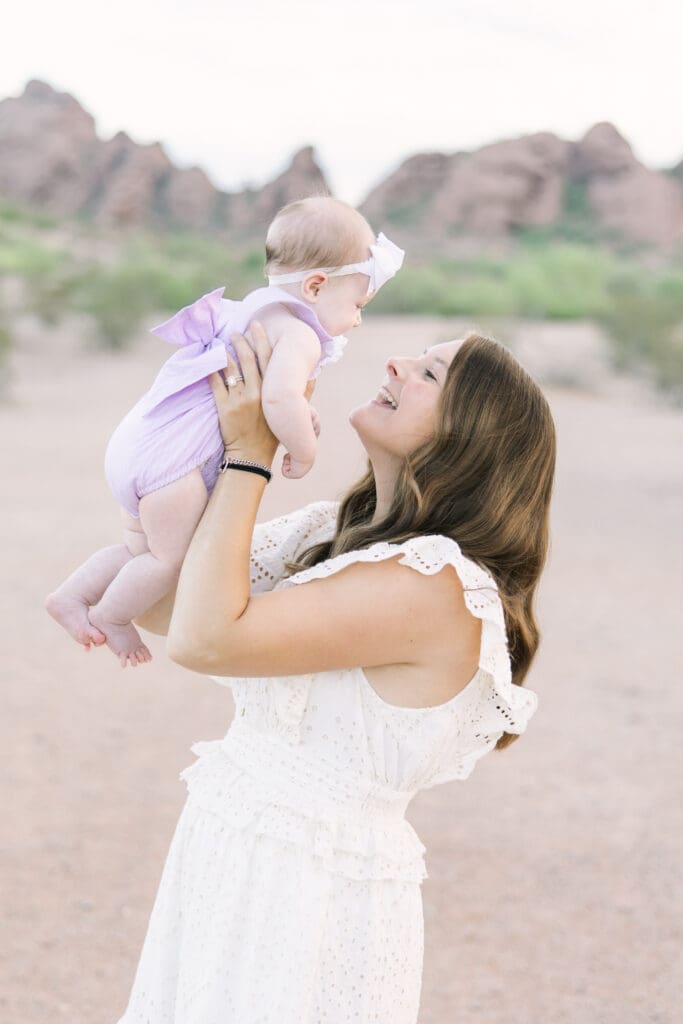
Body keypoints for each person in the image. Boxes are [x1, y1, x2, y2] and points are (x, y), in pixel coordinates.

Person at [114, 322, 556, 1024]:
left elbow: (203, 641)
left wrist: (250, 457)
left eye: (431, 373)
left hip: (308, 888)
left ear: (468, 437)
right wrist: (192, 436)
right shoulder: (334, 532)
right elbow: (165, 605)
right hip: (236, 846)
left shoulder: (433, 582)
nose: (397, 362)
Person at [45, 197, 404, 668]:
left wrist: (301, 412)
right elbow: (277, 400)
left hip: (143, 442)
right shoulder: (299, 334)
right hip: (175, 467)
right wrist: (304, 447)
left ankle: (71, 596)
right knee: (167, 561)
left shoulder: (250, 309)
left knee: (140, 550)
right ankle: (112, 616)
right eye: (358, 304)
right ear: (316, 286)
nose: (356, 319)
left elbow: (280, 397)